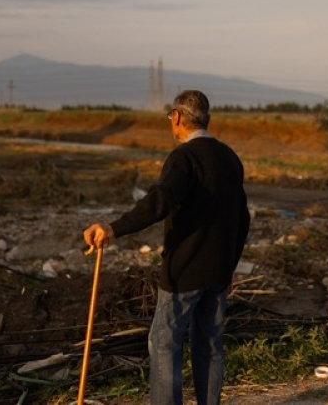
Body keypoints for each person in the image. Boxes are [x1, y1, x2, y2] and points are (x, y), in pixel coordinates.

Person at [83, 89, 250, 405]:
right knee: (210, 345)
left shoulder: (184, 157)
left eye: (169, 119)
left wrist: (112, 228)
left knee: (163, 343)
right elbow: (242, 217)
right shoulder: (229, 157)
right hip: (218, 271)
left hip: (184, 271)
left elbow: (159, 202)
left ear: (176, 118)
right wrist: (230, 266)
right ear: (206, 119)